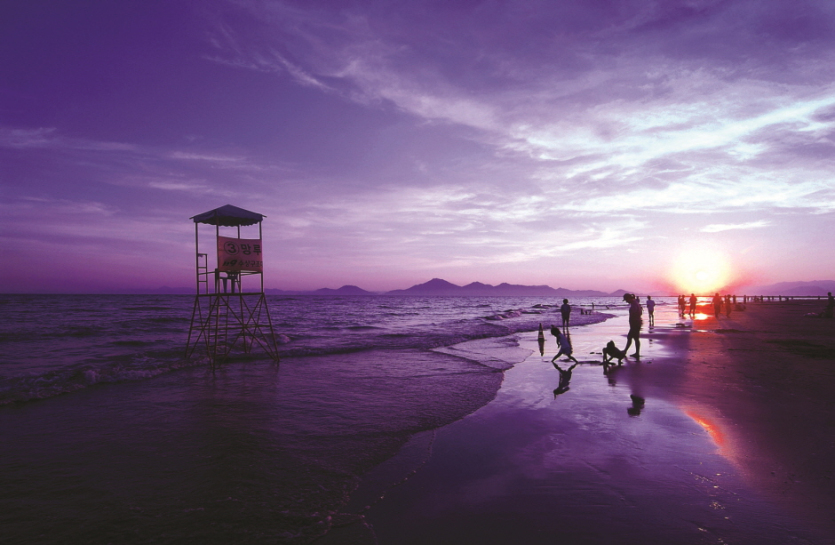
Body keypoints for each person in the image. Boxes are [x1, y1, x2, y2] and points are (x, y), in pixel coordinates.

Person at [622, 293, 642, 358]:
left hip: (635, 323)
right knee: (634, 338)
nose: (626, 301)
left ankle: (626, 351)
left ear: (629, 298)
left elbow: (635, 314)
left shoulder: (634, 305)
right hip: (637, 322)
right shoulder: (635, 303)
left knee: (631, 337)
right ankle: (635, 352)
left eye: (626, 300)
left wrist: (633, 323)